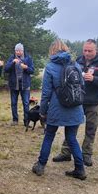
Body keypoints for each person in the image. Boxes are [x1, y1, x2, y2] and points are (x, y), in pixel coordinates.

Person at [53, 39, 98, 166]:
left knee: (90, 129)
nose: (87, 53)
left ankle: (86, 155)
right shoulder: (78, 60)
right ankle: (66, 152)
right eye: (85, 50)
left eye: (90, 51)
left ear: (95, 50)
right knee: (71, 128)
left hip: (94, 102)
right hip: (77, 101)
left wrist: (94, 79)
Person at [31, 39, 86, 180]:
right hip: (75, 106)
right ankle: (80, 169)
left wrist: (42, 111)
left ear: (52, 51)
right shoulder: (76, 65)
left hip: (57, 107)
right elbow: (82, 86)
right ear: (66, 49)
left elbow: (46, 93)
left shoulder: (50, 67)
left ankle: (40, 165)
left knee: (49, 135)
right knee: (72, 138)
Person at [4, 43, 34, 126]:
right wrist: (12, 63)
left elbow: (32, 70)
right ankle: (15, 120)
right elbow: (6, 69)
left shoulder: (28, 58)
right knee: (14, 103)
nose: (18, 52)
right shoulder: (12, 57)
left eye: (19, 50)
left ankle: (26, 121)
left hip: (25, 85)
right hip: (14, 85)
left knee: (26, 103)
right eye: (16, 50)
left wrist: (26, 67)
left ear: (22, 50)